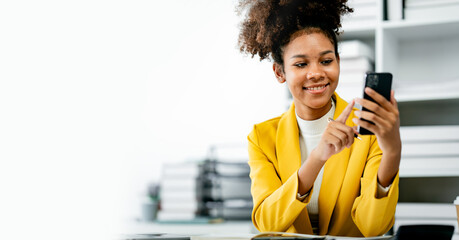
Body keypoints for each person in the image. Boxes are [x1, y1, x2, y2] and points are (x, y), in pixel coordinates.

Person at [237, 0, 402, 237]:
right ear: (279, 72)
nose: (316, 73)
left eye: (326, 61)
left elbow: (374, 227)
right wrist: (317, 158)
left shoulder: (369, 128)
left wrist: (393, 151)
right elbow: (267, 225)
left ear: (338, 61)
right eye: (301, 64)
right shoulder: (262, 138)